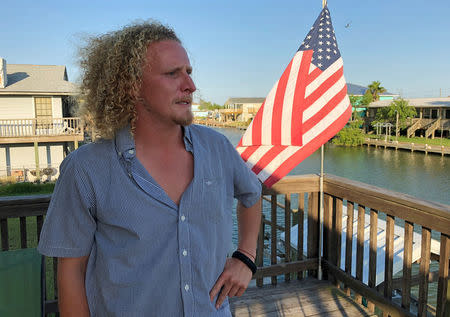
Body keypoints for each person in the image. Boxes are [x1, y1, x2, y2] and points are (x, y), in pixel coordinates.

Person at [37, 21, 261, 317]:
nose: (190, 86)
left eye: (189, 72)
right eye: (172, 74)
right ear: (131, 86)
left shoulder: (217, 148)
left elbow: (252, 194)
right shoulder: (86, 169)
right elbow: (71, 273)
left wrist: (245, 257)